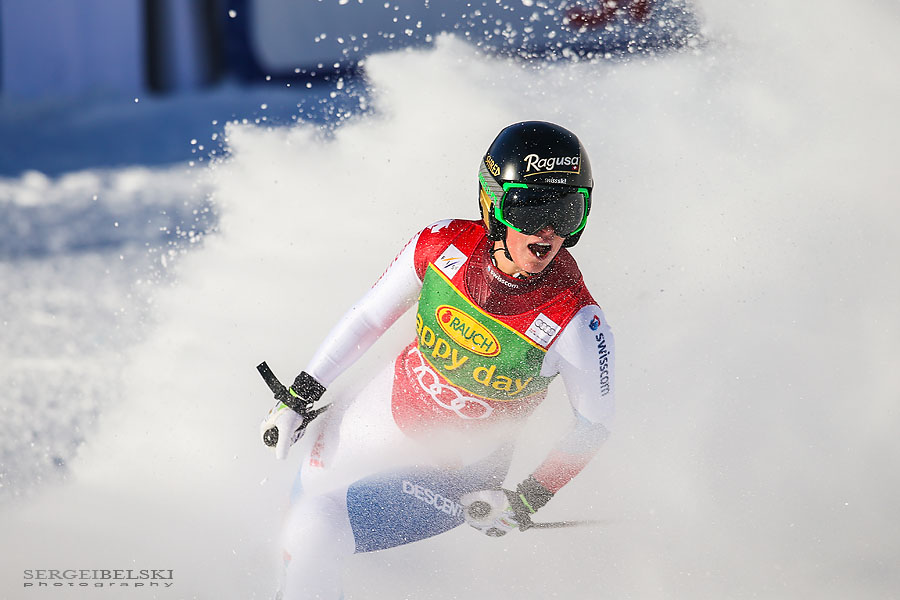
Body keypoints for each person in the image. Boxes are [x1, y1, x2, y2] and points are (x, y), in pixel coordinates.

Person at [261, 120, 616, 599]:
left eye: (568, 211)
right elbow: (369, 318)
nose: (547, 234)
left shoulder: (576, 322)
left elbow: (592, 426)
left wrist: (527, 499)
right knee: (298, 531)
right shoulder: (440, 245)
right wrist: (301, 394)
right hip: (374, 417)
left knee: (317, 527)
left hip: (456, 475)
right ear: (491, 203)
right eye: (529, 209)